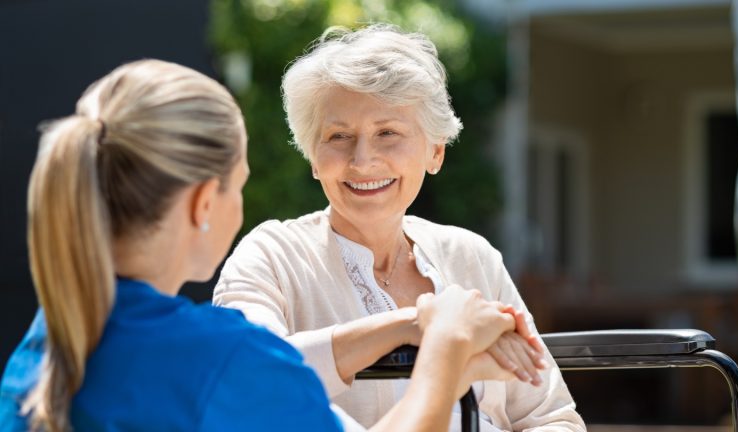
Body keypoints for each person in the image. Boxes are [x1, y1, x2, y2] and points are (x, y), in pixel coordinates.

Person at [0, 59, 526, 432]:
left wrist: (409, 324)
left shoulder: (53, 337)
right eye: (242, 181)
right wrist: (446, 351)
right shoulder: (222, 359)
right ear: (206, 203)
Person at [213, 24, 587, 431]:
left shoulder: (471, 255)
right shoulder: (272, 255)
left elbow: (551, 416)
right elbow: (245, 377)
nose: (362, 160)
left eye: (387, 133)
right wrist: (419, 324)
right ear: (313, 158)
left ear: (435, 152)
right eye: (339, 136)